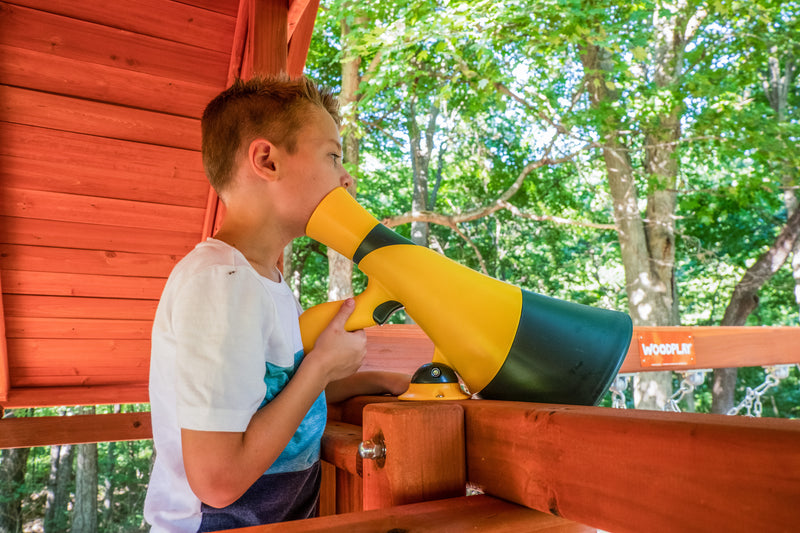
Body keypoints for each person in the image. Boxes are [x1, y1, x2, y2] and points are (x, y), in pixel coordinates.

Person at [144, 75, 409, 532]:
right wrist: (322, 366)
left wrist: (373, 380)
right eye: (332, 156)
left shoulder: (264, 282)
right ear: (266, 160)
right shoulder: (221, 282)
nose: (348, 177)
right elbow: (218, 481)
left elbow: (275, 400)